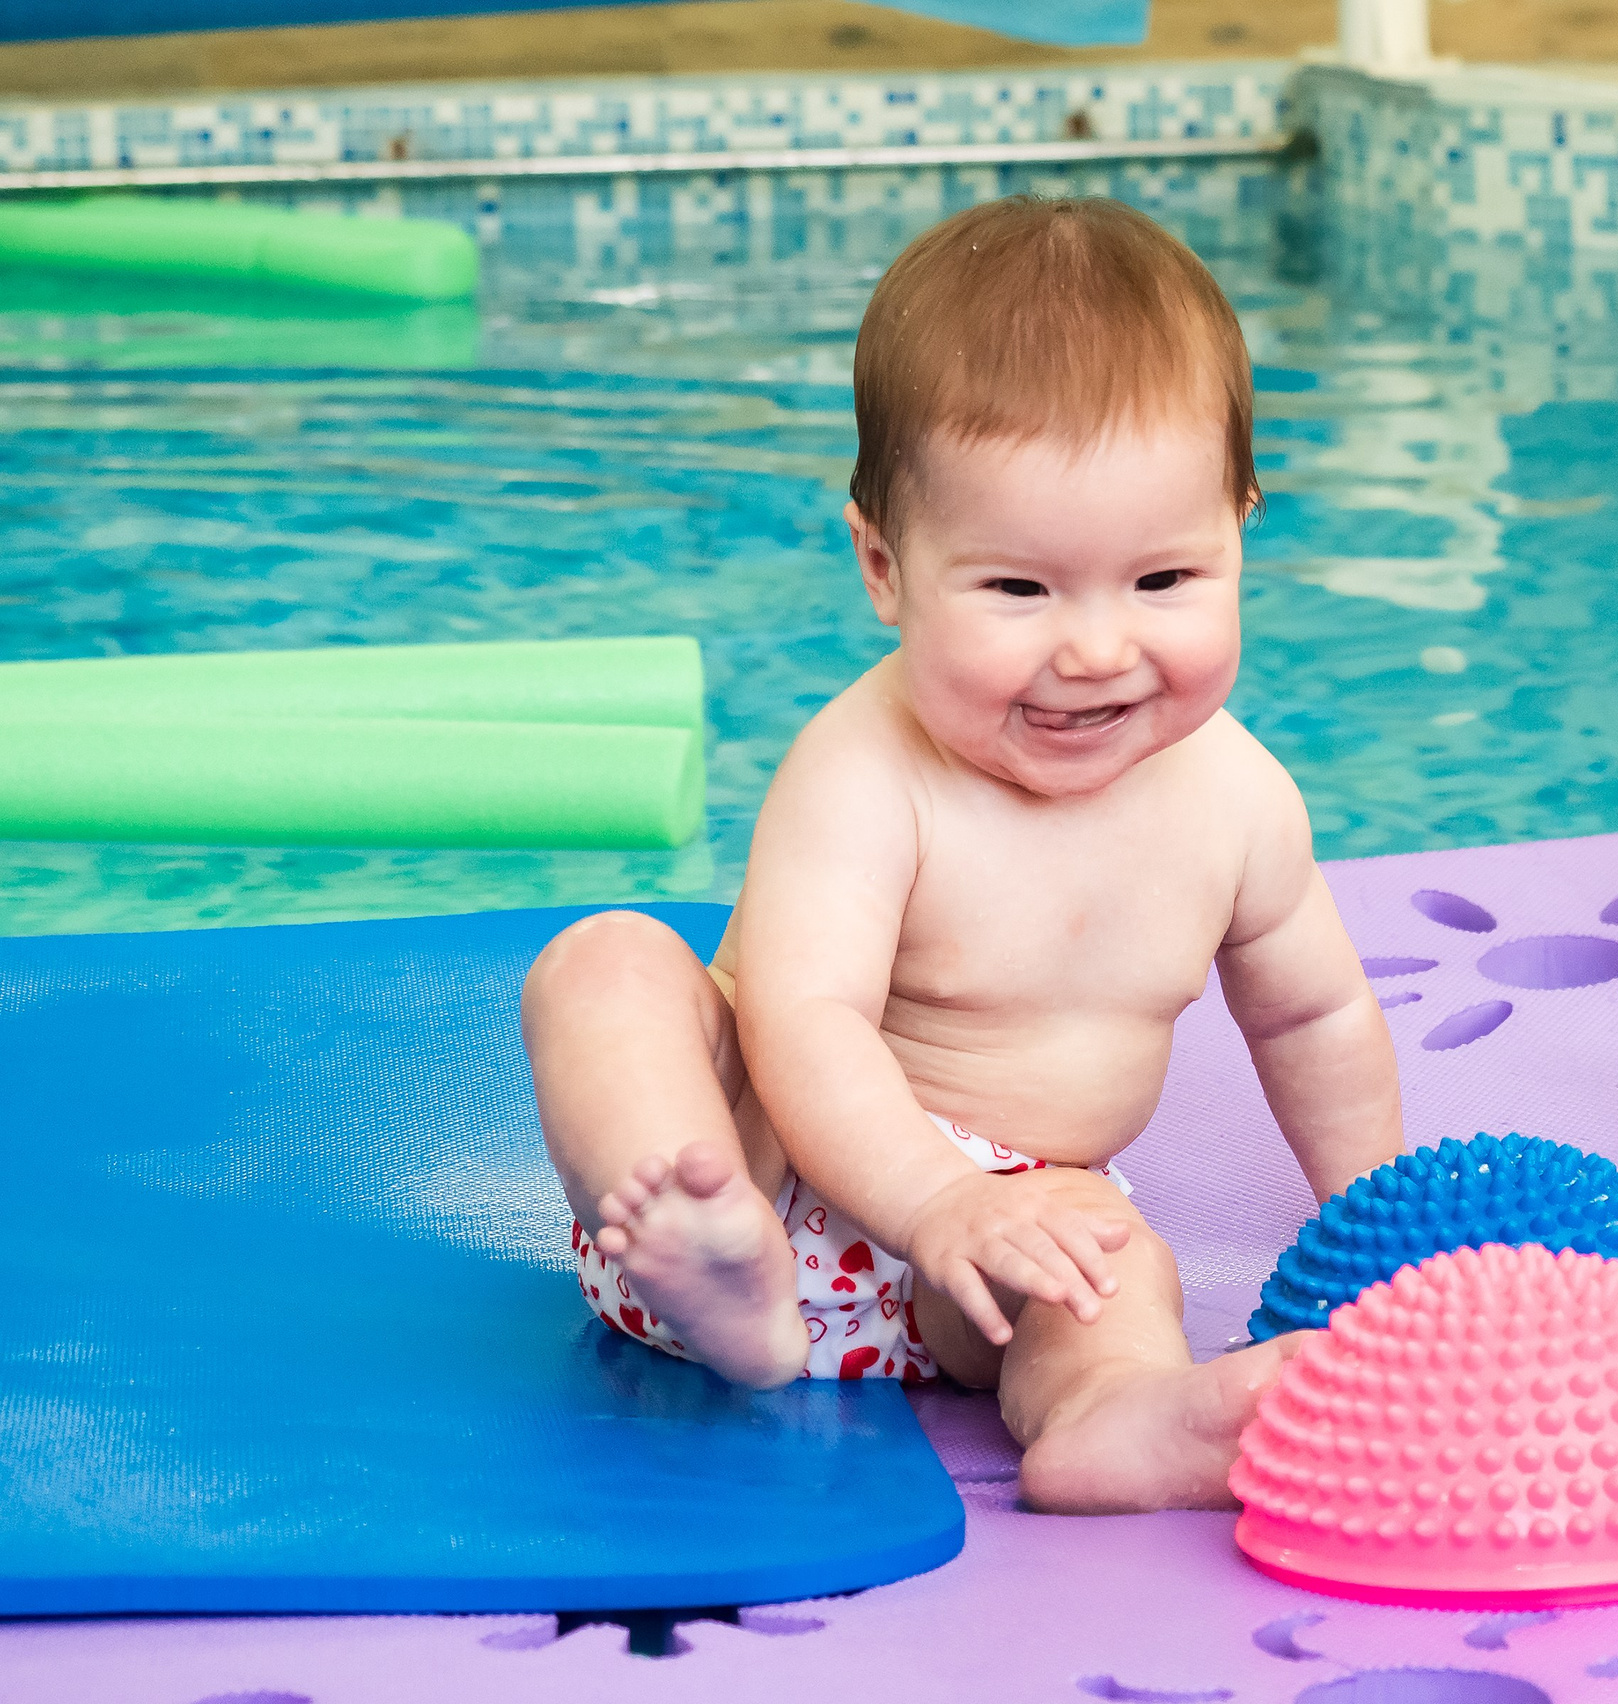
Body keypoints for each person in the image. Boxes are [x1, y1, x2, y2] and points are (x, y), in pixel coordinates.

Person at [520, 196, 1405, 1515]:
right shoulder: (864, 771)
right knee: (604, 967)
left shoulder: (1241, 800)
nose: (1096, 649)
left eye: (1164, 581)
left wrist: (1381, 1219)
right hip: (750, 1175)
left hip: (1007, 1235)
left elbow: (1314, 1016)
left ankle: (1111, 1414)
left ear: (1241, 529)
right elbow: (806, 1019)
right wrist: (927, 1198)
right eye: (1019, 590)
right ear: (885, 566)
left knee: (1112, 1269)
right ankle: (720, 1277)